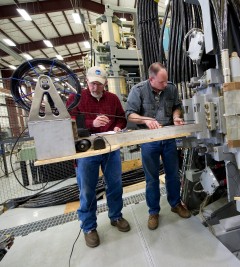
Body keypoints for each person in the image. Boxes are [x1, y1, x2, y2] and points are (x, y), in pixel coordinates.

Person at [67, 66, 130, 248]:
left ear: (105, 84)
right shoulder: (75, 99)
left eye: (98, 84)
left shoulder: (112, 98)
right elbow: (69, 123)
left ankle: (116, 216)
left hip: (110, 149)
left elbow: (121, 118)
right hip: (86, 152)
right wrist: (91, 123)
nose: (94, 87)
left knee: (115, 184)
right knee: (87, 190)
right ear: (86, 82)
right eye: (91, 83)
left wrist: (118, 126)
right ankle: (88, 227)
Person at [125, 62, 191, 230]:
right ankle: (153, 212)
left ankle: (175, 204)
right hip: (149, 140)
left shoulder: (171, 88)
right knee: (152, 178)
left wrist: (176, 117)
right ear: (151, 79)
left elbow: (177, 106)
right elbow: (130, 115)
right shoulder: (138, 90)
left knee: (173, 174)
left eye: (166, 81)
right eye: (161, 82)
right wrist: (146, 120)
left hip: (168, 138)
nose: (164, 85)